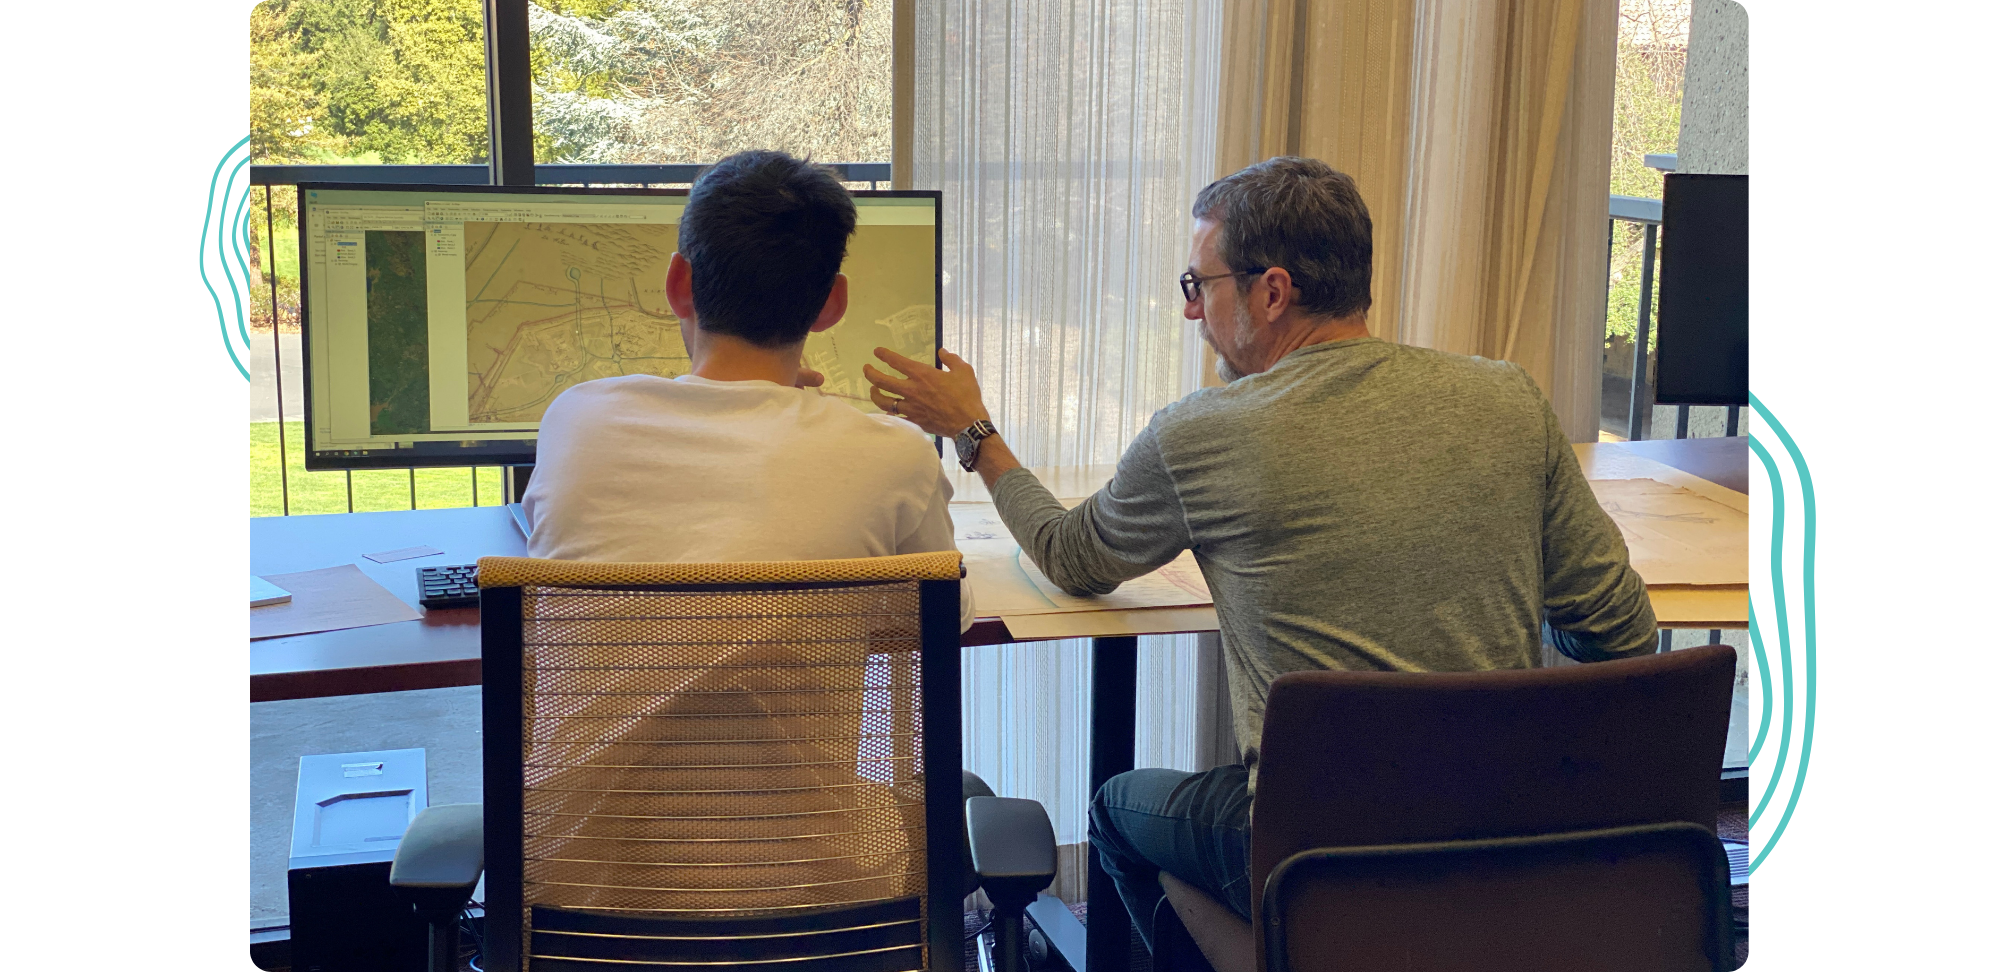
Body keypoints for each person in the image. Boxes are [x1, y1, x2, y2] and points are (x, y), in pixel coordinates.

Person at [862, 156, 1658, 946]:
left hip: (1311, 848)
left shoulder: (1204, 435)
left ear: (1271, 291)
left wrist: (974, 434)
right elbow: (1619, 631)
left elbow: (1072, 557)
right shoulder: (1506, 398)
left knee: (1112, 810)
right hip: (1507, 841)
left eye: (1196, 286)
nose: (1190, 313)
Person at [524, 149, 972, 633]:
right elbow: (948, 617)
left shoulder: (573, 418)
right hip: (794, 713)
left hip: (589, 713)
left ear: (677, 285)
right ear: (832, 305)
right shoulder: (897, 457)